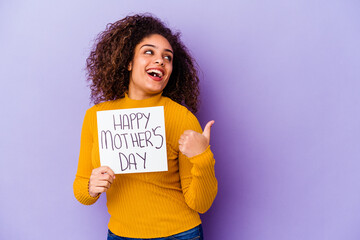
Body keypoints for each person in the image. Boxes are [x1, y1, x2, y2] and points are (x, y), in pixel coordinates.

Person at [73, 14, 217, 240]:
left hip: (179, 234)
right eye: (149, 52)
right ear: (128, 62)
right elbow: (81, 189)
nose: (160, 61)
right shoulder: (96, 117)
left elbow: (201, 203)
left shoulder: (181, 118)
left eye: (167, 57)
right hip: (120, 235)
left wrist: (203, 157)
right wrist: (91, 187)